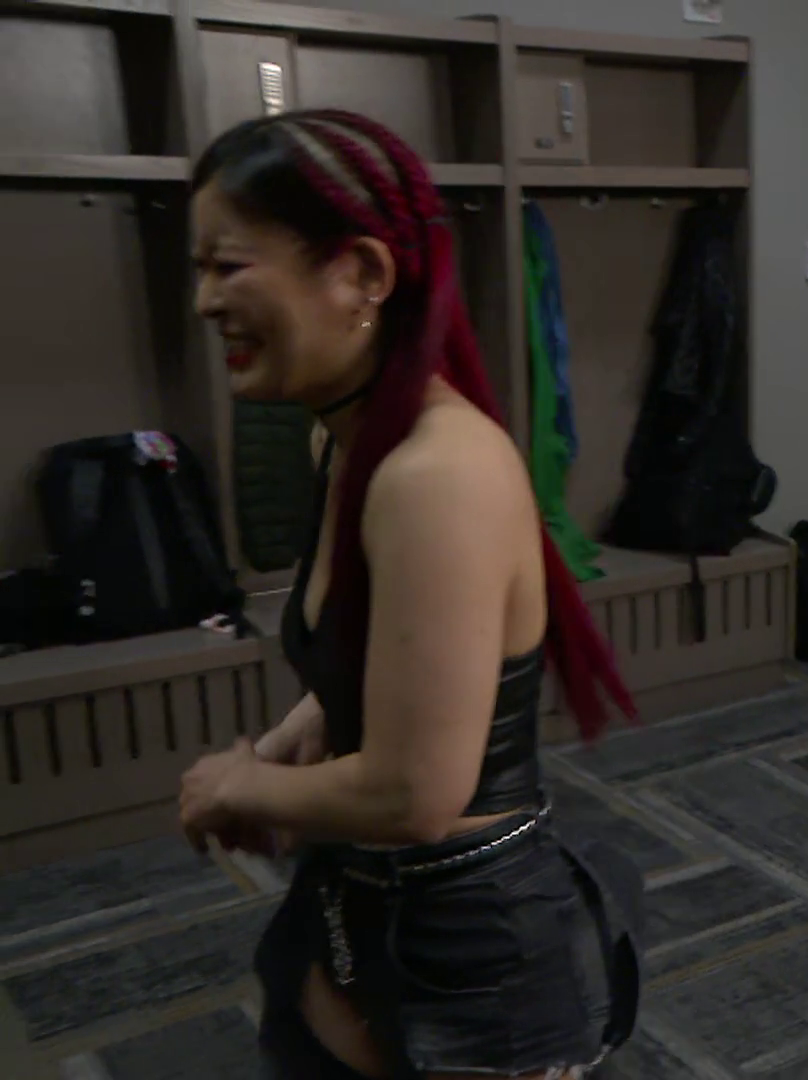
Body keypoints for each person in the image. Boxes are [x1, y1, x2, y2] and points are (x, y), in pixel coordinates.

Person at [174, 109, 642, 1080]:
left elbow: (416, 791)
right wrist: (302, 727)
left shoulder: (437, 474)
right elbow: (389, 646)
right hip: (370, 918)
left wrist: (238, 783)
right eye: (200, 269)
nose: (205, 301)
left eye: (230, 266)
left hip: (470, 967)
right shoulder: (348, 441)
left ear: (363, 274)